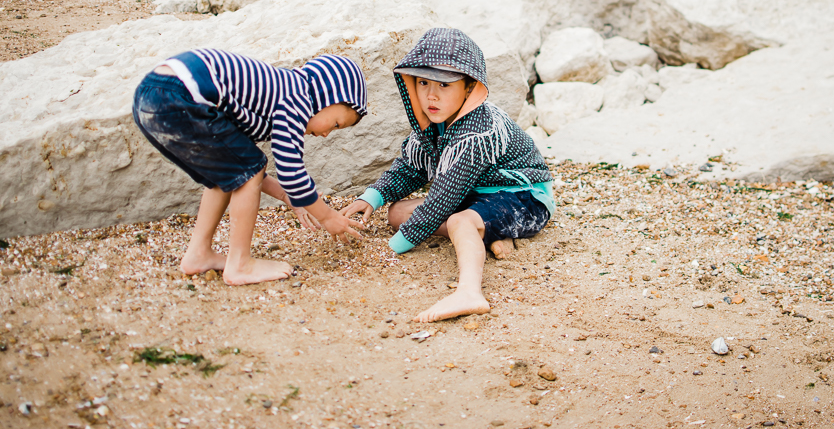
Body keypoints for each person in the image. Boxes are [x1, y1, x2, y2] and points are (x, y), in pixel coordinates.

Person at [340, 28, 555, 322]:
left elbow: (441, 200)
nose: (431, 95)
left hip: (522, 196)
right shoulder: (433, 124)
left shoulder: (477, 131)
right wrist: (371, 198)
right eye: (423, 82)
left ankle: (469, 291)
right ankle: (486, 235)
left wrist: (390, 251)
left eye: (444, 85)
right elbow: (411, 167)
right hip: (474, 192)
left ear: (469, 88)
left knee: (457, 219)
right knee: (397, 214)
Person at [132, 48, 367, 286]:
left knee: (228, 172)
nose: (327, 134)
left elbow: (241, 167)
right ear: (327, 95)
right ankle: (240, 264)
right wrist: (327, 216)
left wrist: (290, 197)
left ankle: (198, 254)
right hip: (182, 93)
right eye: (336, 123)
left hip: (153, 94)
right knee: (247, 171)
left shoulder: (269, 97)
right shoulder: (298, 98)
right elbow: (291, 173)